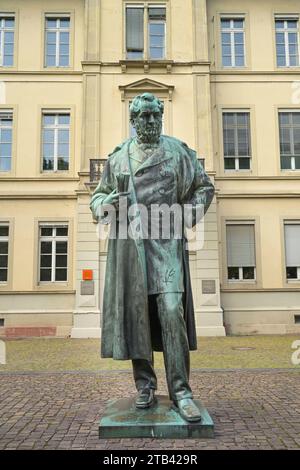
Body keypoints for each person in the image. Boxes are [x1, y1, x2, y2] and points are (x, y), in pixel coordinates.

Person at [90, 93, 215, 422]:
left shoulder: (177, 152)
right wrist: (108, 204)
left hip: (166, 244)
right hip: (130, 247)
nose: (149, 121)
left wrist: (186, 215)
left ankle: (181, 392)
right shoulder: (118, 159)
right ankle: (144, 384)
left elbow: (204, 188)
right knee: (138, 315)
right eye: (143, 116)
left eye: (154, 115)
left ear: (161, 116)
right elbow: (98, 197)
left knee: (172, 311)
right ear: (133, 120)